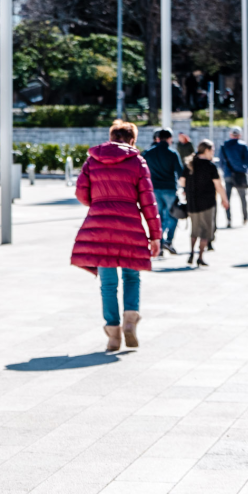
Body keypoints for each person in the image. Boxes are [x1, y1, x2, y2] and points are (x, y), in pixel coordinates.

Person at [71, 120, 161, 352]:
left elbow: (81, 192)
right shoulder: (137, 161)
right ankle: (130, 321)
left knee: (108, 284)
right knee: (132, 277)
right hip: (130, 225)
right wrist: (155, 236)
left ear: (111, 137)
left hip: (100, 226)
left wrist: (100, 203)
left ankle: (113, 333)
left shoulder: (93, 160)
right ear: (132, 140)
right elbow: (148, 201)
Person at [179, 140, 229, 267]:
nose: (213, 152)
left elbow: (182, 181)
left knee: (194, 229)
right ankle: (200, 256)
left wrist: (187, 191)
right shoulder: (210, 166)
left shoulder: (189, 163)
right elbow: (219, 186)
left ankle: (191, 253)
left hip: (192, 202)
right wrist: (225, 199)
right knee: (206, 231)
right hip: (207, 203)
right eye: (212, 150)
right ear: (206, 150)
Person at [142, 128, 184, 255]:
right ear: (169, 139)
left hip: (153, 189)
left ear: (158, 139)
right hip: (169, 189)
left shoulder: (147, 153)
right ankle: (168, 240)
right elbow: (180, 172)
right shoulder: (172, 153)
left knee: (157, 217)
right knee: (173, 215)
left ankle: (159, 242)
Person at [218, 126, 248, 228]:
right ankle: (244, 217)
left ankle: (229, 219)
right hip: (240, 175)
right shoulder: (243, 146)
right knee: (243, 198)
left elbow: (221, 162)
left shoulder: (224, 146)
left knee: (227, 198)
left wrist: (225, 171)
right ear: (240, 135)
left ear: (231, 134)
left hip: (228, 174)